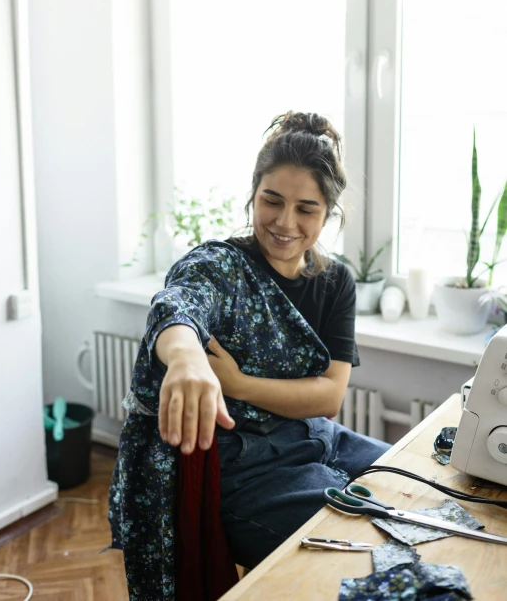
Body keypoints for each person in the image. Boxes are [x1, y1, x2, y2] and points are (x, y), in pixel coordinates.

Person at [108, 111, 390, 600]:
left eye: (306, 208)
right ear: (253, 195)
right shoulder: (221, 266)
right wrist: (188, 359)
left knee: (412, 489)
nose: (284, 222)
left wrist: (234, 384)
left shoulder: (336, 281)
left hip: (318, 436)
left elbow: (328, 397)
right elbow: (177, 305)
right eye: (271, 201)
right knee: (357, 547)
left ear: (328, 214)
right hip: (245, 465)